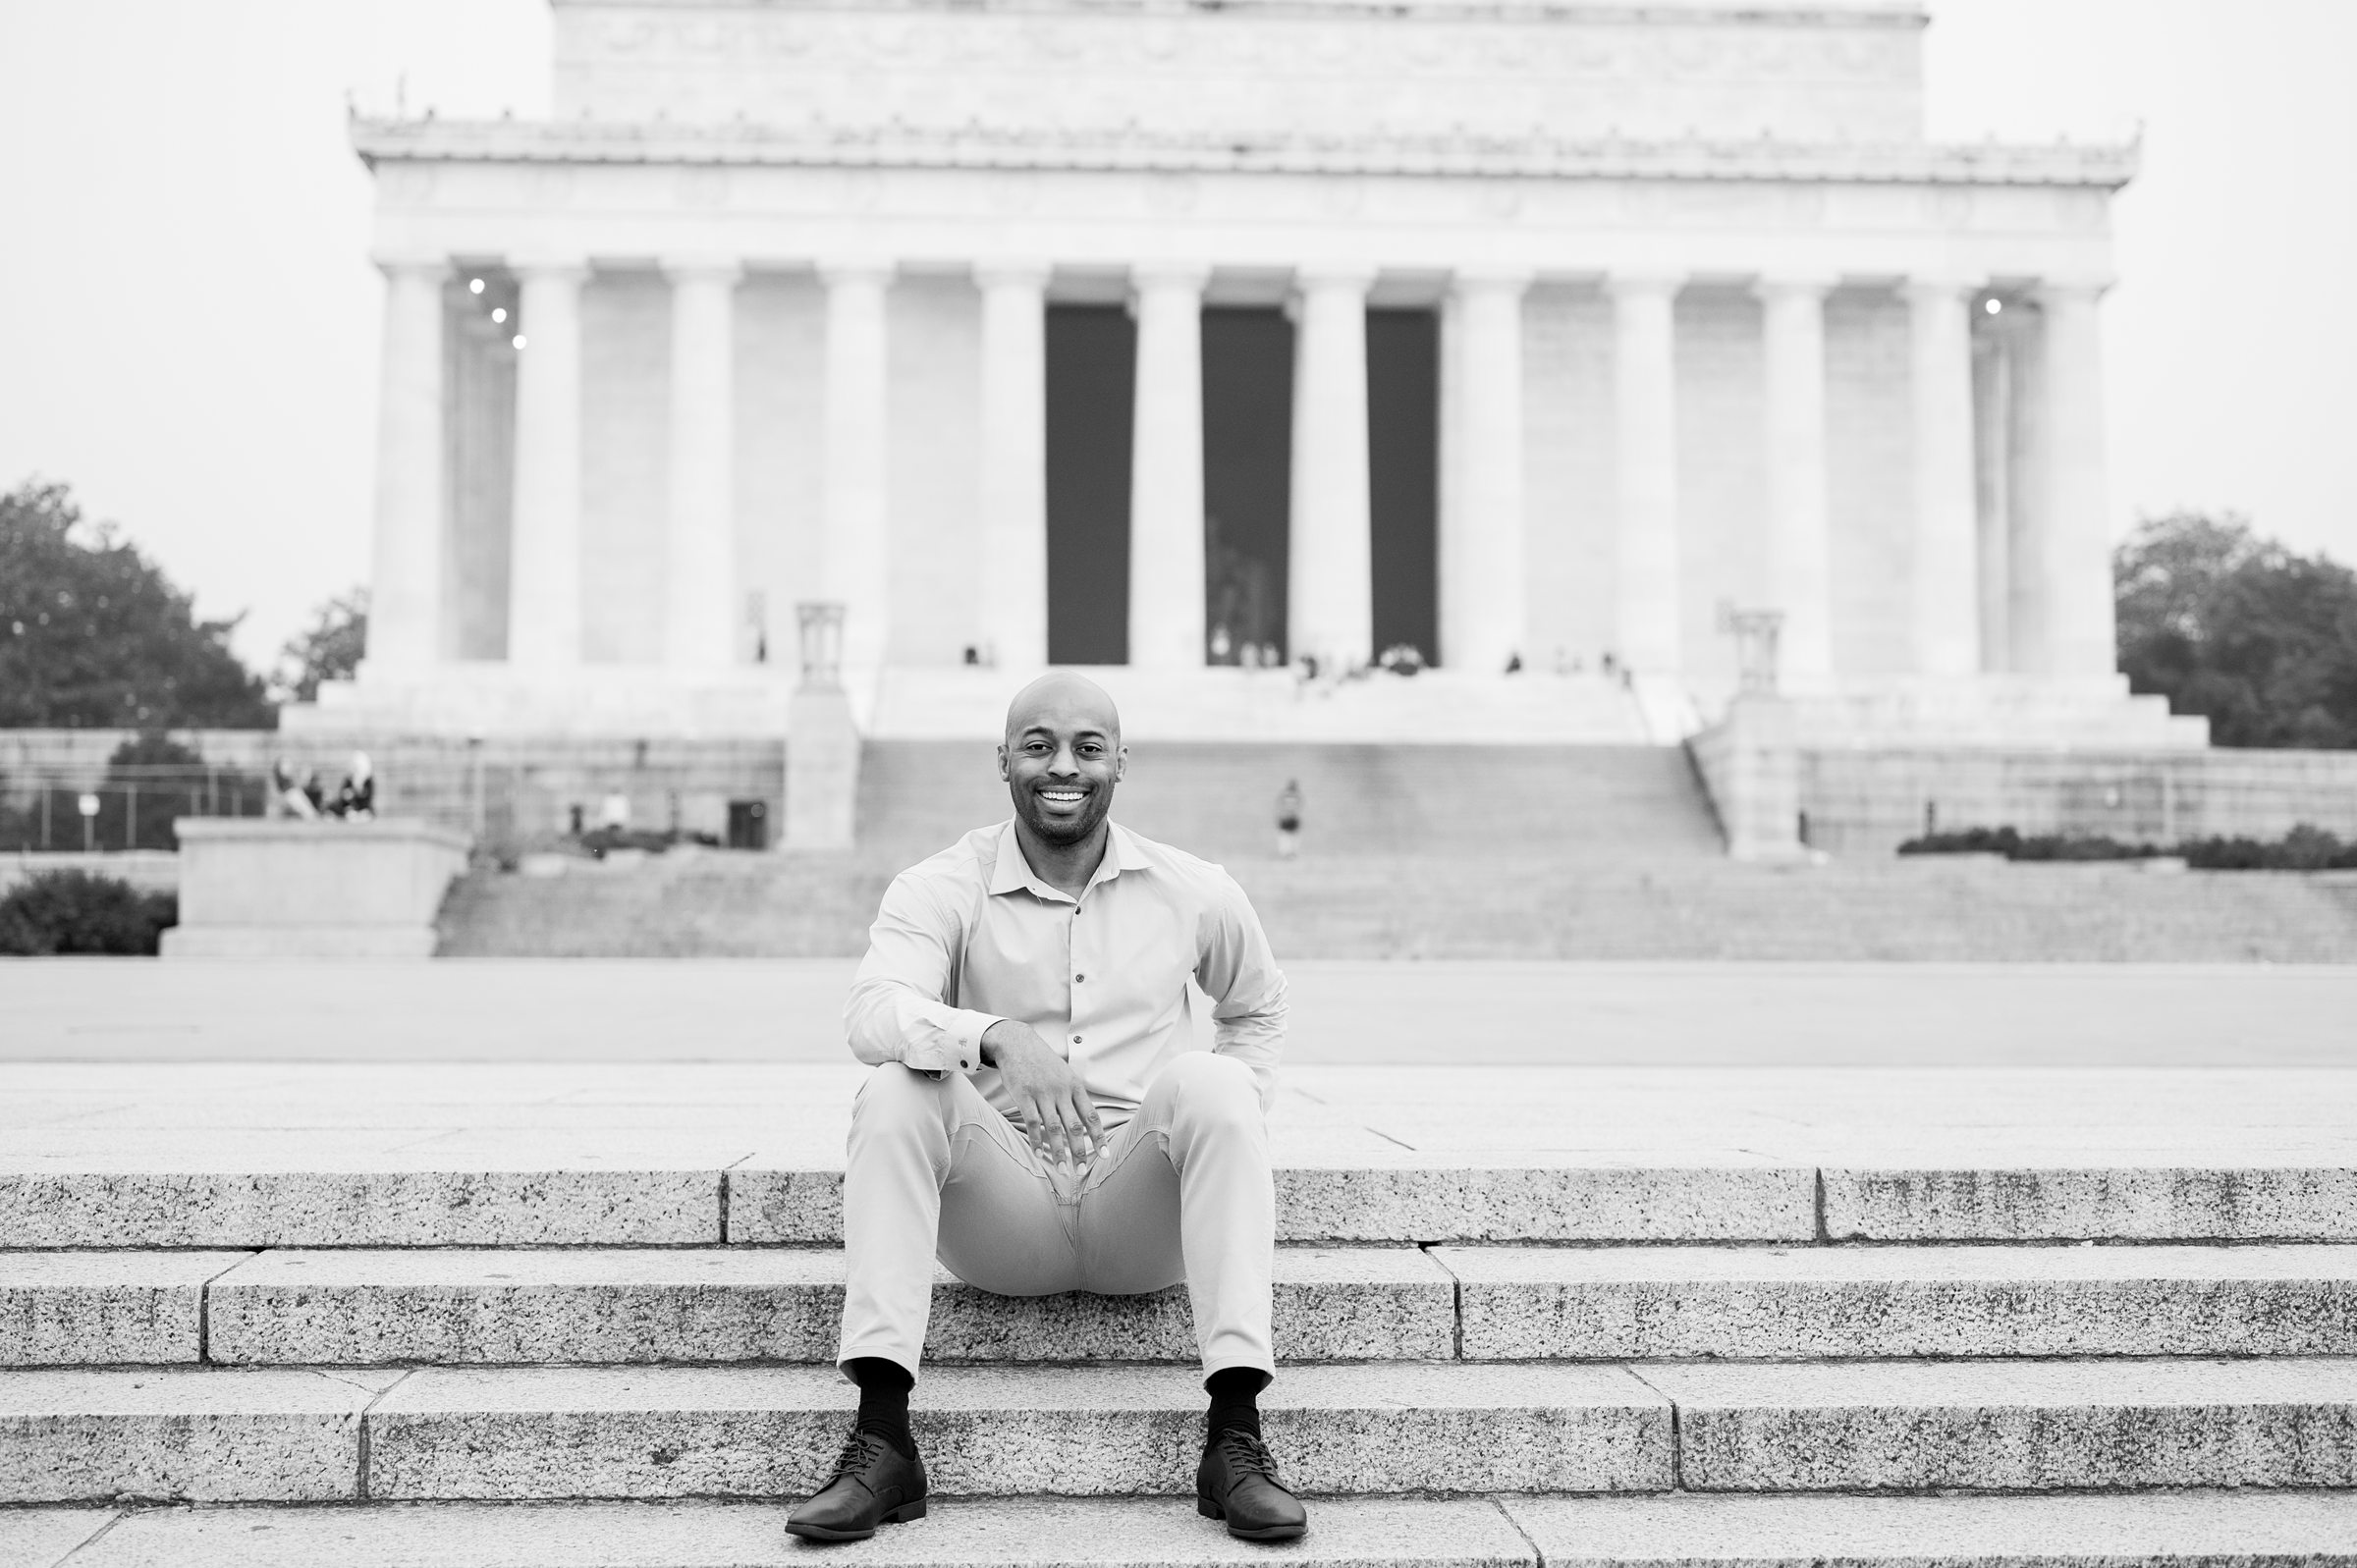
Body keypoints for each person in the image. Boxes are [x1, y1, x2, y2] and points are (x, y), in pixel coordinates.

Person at [789, 673, 1304, 1545]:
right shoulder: (941, 883)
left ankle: (1235, 1438)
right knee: (894, 1084)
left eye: (1086, 746)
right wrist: (993, 1035)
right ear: (1003, 760)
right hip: (1004, 1211)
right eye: (1037, 744)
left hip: (1141, 1207)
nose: (1062, 765)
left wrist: (1234, 1132)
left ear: (1119, 762)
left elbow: (1256, 1007)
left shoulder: (1194, 888)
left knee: (1211, 1082)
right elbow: (870, 1011)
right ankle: (883, 1439)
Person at [332, 753, 375, 820]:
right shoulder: (349, 779)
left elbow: (368, 797)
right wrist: (348, 794)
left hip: (364, 809)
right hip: (350, 808)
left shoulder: (368, 780)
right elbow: (343, 796)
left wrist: (359, 791)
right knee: (350, 813)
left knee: (364, 814)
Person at [1274, 780, 1303, 860]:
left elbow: (1298, 808)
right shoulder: (1293, 796)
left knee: (1290, 837)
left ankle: (1290, 853)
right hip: (1288, 818)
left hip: (1290, 818)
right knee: (1286, 837)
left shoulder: (1290, 796)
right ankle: (1288, 853)